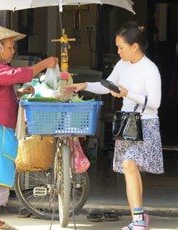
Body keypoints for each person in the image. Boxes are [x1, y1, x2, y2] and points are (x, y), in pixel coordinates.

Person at [63, 21, 164, 230]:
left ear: (134, 46)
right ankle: (139, 218)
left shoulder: (150, 69)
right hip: (127, 124)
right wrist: (83, 85)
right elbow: (107, 85)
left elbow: (155, 103)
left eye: (121, 47)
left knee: (129, 165)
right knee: (129, 169)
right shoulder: (122, 65)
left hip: (145, 124)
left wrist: (128, 94)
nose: (118, 52)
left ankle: (138, 219)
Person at [0, 24, 58, 230]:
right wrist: (43, 64)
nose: (13, 51)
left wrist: (18, 93)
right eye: (10, 47)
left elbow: (2, 90)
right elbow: (15, 75)